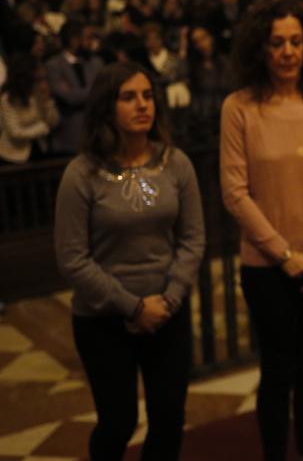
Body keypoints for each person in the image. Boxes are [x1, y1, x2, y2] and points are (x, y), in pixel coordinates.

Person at [220, 0, 303, 461]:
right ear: (260, 48)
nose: (288, 52)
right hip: (267, 267)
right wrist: (284, 254)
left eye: (296, 41)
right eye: (277, 43)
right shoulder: (240, 108)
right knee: (277, 372)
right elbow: (235, 193)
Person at [54, 62, 204, 460]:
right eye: (128, 97)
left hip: (168, 313)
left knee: (169, 419)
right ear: (107, 107)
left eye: (147, 96)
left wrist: (169, 299)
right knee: (118, 422)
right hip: (104, 319)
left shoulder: (176, 163)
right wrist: (134, 307)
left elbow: (193, 239)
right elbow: (72, 259)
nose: (142, 105)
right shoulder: (81, 174)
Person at [45, 19, 105, 155]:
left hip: (96, 133)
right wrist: (95, 89)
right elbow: (70, 98)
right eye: (88, 37)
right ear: (74, 40)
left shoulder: (96, 62)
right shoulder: (54, 65)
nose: (92, 42)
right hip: (68, 137)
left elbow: (104, 91)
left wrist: (77, 91)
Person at [0, 53, 59, 163]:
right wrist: (43, 127)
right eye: (38, 79)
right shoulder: (8, 98)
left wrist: (48, 102)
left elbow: (53, 122)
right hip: (14, 156)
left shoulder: (37, 93)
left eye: (43, 79)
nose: (43, 83)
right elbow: (16, 133)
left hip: (40, 149)